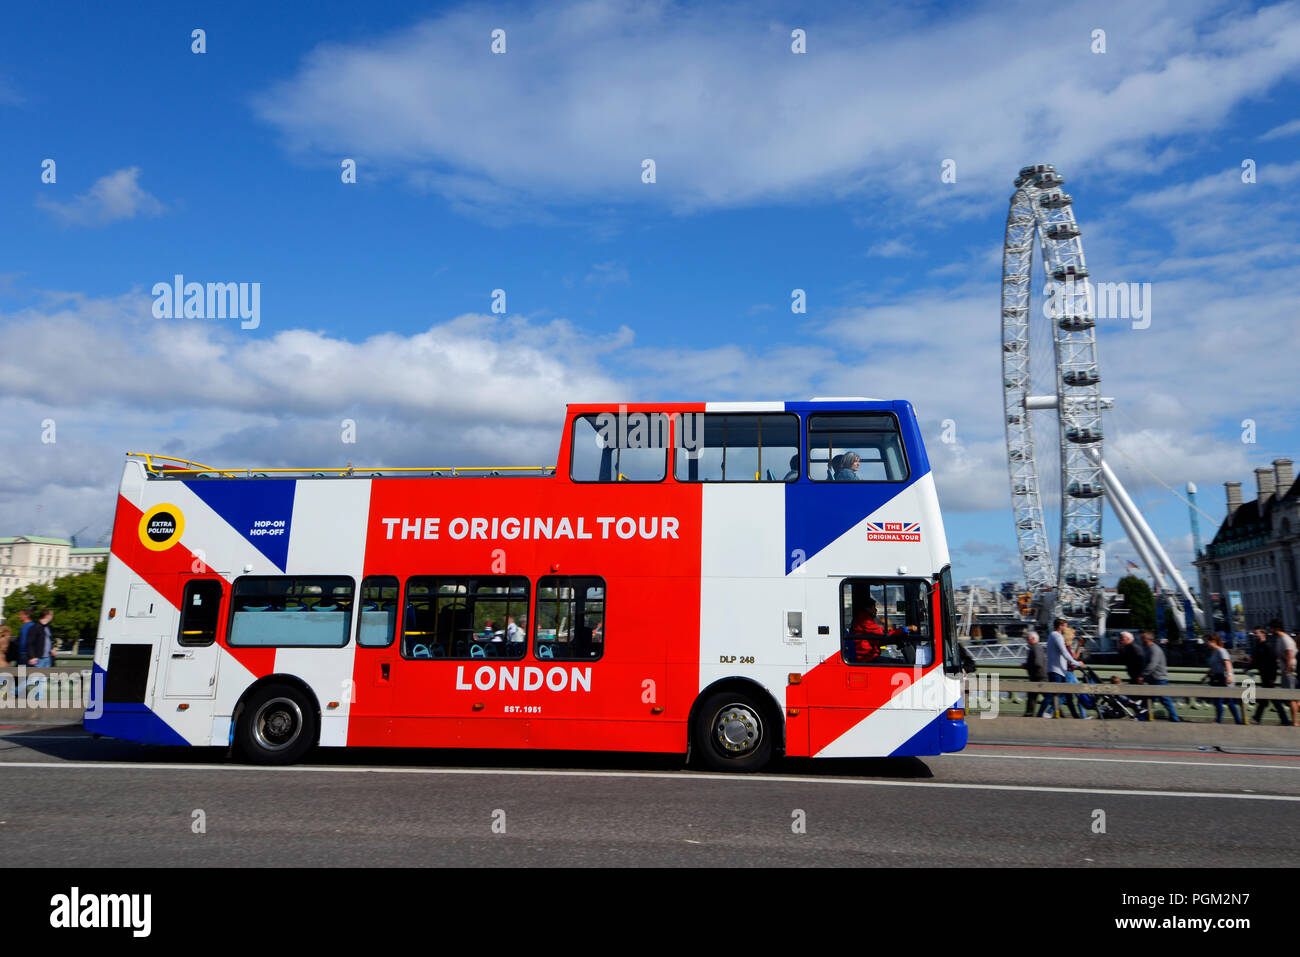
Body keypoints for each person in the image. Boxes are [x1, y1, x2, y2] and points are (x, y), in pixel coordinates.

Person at [1037, 618, 1084, 718]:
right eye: (1065, 626)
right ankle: (1040, 714)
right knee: (1053, 695)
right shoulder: (1057, 636)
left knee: (1066, 695)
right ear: (1060, 626)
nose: (1066, 628)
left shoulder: (1052, 636)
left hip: (1058, 670)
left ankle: (1072, 716)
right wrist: (1076, 663)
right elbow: (1064, 652)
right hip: (1057, 670)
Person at [1248, 627, 1289, 725]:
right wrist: (1248, 668)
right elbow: (1256, 662)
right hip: (1263, 675)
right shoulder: (1258, 646)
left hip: (1268, 676)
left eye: (1256, 633)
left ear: (1263, 633)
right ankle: (1283, 720)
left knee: (1271, 698)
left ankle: (1257, 718)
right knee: (1268, 698)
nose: (1254, 635)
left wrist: (1273, 677)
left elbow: (1273, 663)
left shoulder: (1268, 646)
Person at [1136, 631, 1181, 722]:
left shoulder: (1154, 649)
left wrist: (1142, 675)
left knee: (1164, 699)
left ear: (1148, 639)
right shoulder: (1149, 648)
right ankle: (1143, 717)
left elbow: (1152, 664)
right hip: (1153, 679)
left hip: (1158, 678)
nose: (1141, 640)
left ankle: (1175, 718)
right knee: (1149, 699)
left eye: (1142, 639)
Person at [1205, 633, 1244, 724]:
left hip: (1224, 678)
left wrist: (1229, 675)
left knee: (1219, 700)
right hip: (1218, 677)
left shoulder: (1221, 651)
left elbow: (1227, 663)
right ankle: (1238, 721)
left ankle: (1219, 720)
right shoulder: (1214, 652)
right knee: (1228, 702)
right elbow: (1213, 667)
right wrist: (1206, 676)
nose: (1206, 643)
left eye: (1207, 641)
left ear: (1213, 641)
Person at [1270, 620, 1298, 727]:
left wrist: (1287, 670)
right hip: (1286, 671)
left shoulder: (1285, 639)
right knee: (1290, 698)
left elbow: (1290, 655)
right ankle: (1294, 720)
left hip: (1289, 671)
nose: (1270, 630)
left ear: (1276, 628)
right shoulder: (1280, 639)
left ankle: (1295, 722)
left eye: (1271, 628)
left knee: (1291, 697)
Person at [850, 597, 886, 662]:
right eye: (873, 607)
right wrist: (904, 629)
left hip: (869, 655)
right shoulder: (864, 619)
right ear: (867, 608)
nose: (876, 610)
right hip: (866, 657)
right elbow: (882, 633)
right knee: (898, 663)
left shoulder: (865, 618)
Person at [1021, 629, 1046, 716]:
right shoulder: (1037, 647)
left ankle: (1030, 713)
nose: (1026, 641)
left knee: (1035, 696)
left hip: (1038, 676)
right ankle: (1029, 713)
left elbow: (1038, 663)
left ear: (1032, 639)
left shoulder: (1036, 648)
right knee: (1034, 696)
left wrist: (1027, 666)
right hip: (1039, 675)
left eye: (1027, 639)